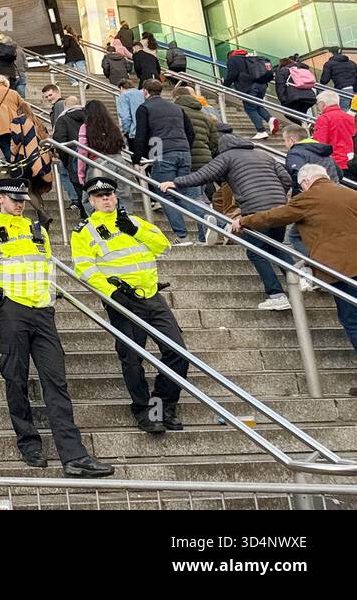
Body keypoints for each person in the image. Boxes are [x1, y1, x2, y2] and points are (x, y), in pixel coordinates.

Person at [0, 178, 114, 476]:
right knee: (16, 377)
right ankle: (29, 442)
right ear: (0, 199)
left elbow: (48, 267)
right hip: (12, 311)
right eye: (13, 198)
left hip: (42, 311)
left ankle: (74, 456)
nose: (20, 203)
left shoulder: (39, 231)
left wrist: (48, 301)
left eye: (22, 198)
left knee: (56, 381)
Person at [71, 174, 188, 433]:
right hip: (122, 301)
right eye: (100, 196)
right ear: (90, 201)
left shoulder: (133, 221)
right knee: (132, 358)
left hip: (150, 295)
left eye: (109, 194)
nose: (106, 199)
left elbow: (162, 246)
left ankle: (163, 405)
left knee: (178, 351)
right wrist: (112, 294)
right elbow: (85, 268)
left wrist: (135, 230)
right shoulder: (84, 232)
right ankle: (144, 410)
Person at [160, 130, 294, 309]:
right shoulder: (264, 155)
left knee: (255, 251)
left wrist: (176, 182)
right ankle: (298, 280)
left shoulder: (227, 157)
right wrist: (276, 197)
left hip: (255, 209)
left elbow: (203, 175)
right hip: (279, 207)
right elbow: (286, 179)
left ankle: (276, 294)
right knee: (274, 246)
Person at [237, 164, 357, 363]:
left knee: (352, 320)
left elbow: (274, 216)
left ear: (306, 182)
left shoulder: (307, 198)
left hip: (341, 269)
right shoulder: (350, 193)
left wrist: (244, 221)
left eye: (301, 186)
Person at [131, 79, 200, 244]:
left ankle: (182, 236)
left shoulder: (144, 108)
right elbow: (191, 132)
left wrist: (136, 158)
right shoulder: (176, 107)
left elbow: (141, 135)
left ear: (145, 91)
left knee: (164, 194)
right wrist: (183, 148)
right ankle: (207, 222)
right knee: (183, 194)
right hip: (184, 152)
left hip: (163, 154)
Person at [225, 48, 278, 140]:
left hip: (249, 87)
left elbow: (232, 74)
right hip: (262, 85)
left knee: (250, 109)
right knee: (257, 106)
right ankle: (269, 119)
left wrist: (225, 85)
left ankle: (261, 131)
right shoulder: (251, 57)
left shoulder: (233, 59)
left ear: (230, 55)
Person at [0, 74, 31, 163]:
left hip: (0, 124)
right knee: (15, 144)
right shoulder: (14, 92)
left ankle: (12, 164)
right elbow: (24, 107)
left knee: (4, 143)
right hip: (16, 123)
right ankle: (17, 162)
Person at [312, 90, 355, 177]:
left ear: (322, 104)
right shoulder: (351, 118)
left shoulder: (324, 119)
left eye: (318, 105)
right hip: (352, 161)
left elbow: (320, 144)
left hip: (336, 163)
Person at [276, 55, 318, 123]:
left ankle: (307, 125)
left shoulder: (282, 71)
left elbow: (280, 87)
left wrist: (283, 100)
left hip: (296, 98)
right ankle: (309, 126)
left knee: (288, 114)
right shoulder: (301, 68)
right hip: (310, 97)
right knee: (301, 115)